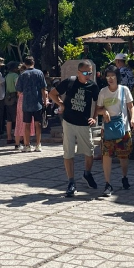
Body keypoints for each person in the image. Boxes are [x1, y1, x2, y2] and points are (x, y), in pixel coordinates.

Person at [49, 60, 100, 197]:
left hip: (84, 123)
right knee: (68, 152)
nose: (88, 75)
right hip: (69, 121)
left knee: (89, 151)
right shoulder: (70, 81)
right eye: (85, 73)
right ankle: (71, 181)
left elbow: (98, 102)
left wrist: (94, 117)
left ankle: (87, 174)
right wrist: (61, 104)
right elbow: (52, 94)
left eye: (90, 73)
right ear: (78, 73)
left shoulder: (93, 86)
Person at [96, 65, 134, 195]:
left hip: (123, 128)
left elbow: (131, 106)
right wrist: (104, 111)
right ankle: (108, 184)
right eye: (108, 76)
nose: (110, 79)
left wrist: (132, 119)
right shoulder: (103, 92)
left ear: (117, 77)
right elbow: (97, 109)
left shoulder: (124, 90)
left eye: (112, 76)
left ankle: (124, 177)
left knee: (123, 156)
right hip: (107, 128)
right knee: (106, 156)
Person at [15, 56, 47, 153]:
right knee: (38, 124)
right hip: (37, 102)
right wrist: (45, 100)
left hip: (26, 103)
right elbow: (43, 88)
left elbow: (19, 90)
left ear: (25, 64)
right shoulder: (39, 73)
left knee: (27, 124)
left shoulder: (22, 74)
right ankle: (38, 144)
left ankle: (27, 145)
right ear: (34, 63)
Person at [3, 61, 20, 146]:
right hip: (14, 97)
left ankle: (9, 137)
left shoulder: (6, 76)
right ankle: (19, 137)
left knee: (9, 119)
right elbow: (17, 87)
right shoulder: (16, 76)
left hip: (7, 97)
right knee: (17, 118)